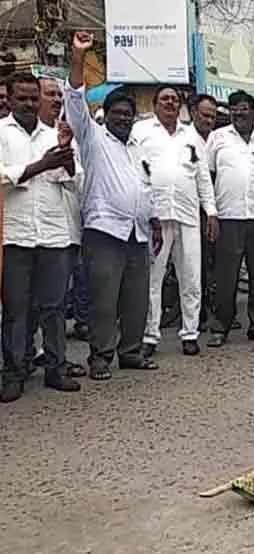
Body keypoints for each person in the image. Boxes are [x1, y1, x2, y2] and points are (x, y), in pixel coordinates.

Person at [66, 31, 162, 381]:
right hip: (104, 231)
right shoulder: (92, 138)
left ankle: (131, 352)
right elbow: (75, 100)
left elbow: (144, 186)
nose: (123, 118)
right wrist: (79, 56)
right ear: (104, 115)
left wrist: (153, 222)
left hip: (137, 233)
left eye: (128, 114)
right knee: (104, 300)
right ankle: (100, 358)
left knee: (136, 297)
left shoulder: (136, 146)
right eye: (118, 113)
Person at [0, 72, 81, 402]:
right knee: (16, 310)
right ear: (9, 98)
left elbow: (76, 182)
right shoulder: (1, 133)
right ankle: (14, 373)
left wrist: (67, 161)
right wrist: (39, 165)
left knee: (54, 306)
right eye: (23, 98)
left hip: (53, 234)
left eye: (35, 98)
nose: (30, 104)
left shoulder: (56, 134)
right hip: (16, 235)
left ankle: (55, 368)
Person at [133, 84, 217, 358]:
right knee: (152, 279)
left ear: (180, 105)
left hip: (188, 215)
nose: (170, 103)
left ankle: (190, 333)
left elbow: (203, 177)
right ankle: (150, 335)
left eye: (174, 99)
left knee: (191, 277)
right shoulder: (141, 132)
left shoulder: (191, 136)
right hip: (155, 217)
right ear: (155, 104)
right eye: (164, 99)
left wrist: (211, 212)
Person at [205, 90, 254, 348]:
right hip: (229, 217)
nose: (238, 113)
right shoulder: (218, 138)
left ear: (253, 111)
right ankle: (220, 327)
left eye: (243, 108)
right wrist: (211, 213)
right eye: (233, 109)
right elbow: (207, 176)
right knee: (225, 276)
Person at [187, 93, 221, 331]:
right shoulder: (184, 138)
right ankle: (193, 316)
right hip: (190, 211)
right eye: (205, 114)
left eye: (213, 116)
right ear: (192, 113)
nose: (209, 120)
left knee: (215, 264)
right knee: (193, 266)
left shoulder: (219, 139)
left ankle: (213, 309)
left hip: (216, 211)